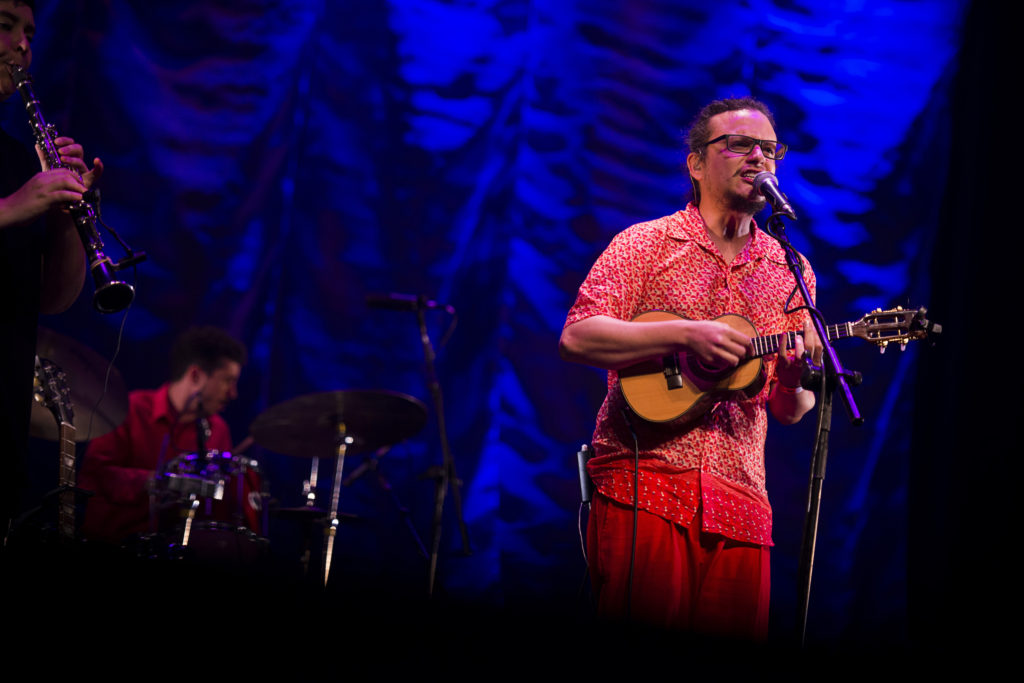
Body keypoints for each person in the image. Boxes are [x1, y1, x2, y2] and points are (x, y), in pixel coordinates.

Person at [560, 96, 823, 640]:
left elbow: (790, 410)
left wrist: (796, 376)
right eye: (740, 145)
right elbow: (578, 336)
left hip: (743, 504)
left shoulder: (791, 271)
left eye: (770, 149)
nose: (759, 158)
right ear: (696, 162)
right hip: (644, 486)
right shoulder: (646, 244)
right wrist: (685, 332)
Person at [1, 0, 99, 538]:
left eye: (29, 33)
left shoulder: (18, 159)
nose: (22, 46)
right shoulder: (19, 184)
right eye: (5, 26)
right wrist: (16, 205)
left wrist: (65, 219)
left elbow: (54, 298)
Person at [79, 326, 259, 545]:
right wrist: (158, 482)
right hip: (114, 545)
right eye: (227, 380)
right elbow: (94, 476)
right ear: (195, 375)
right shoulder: (129, 409)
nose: (233, 393)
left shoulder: (218, 429)